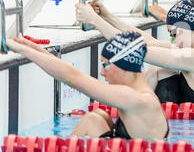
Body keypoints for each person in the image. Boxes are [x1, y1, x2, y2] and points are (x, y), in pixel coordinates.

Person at [5, 33, 169, 140]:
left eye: (105, 65)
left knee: (91, 120)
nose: (102, 73)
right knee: (98, 116)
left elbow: (73, 78)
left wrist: (20, 49)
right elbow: (72, 73)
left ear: (121, 65)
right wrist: (27, 45)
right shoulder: (141, 93)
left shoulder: (136, 99)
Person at [76, 0, 194, 105]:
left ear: (181, 29)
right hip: (190, 121)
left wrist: (94, 20)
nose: (173, 41)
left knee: (158, 69)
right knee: (162, 69)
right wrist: (108, 17)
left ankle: (131, 109)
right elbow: (150, 42)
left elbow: (132, 48)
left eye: (172, 34)